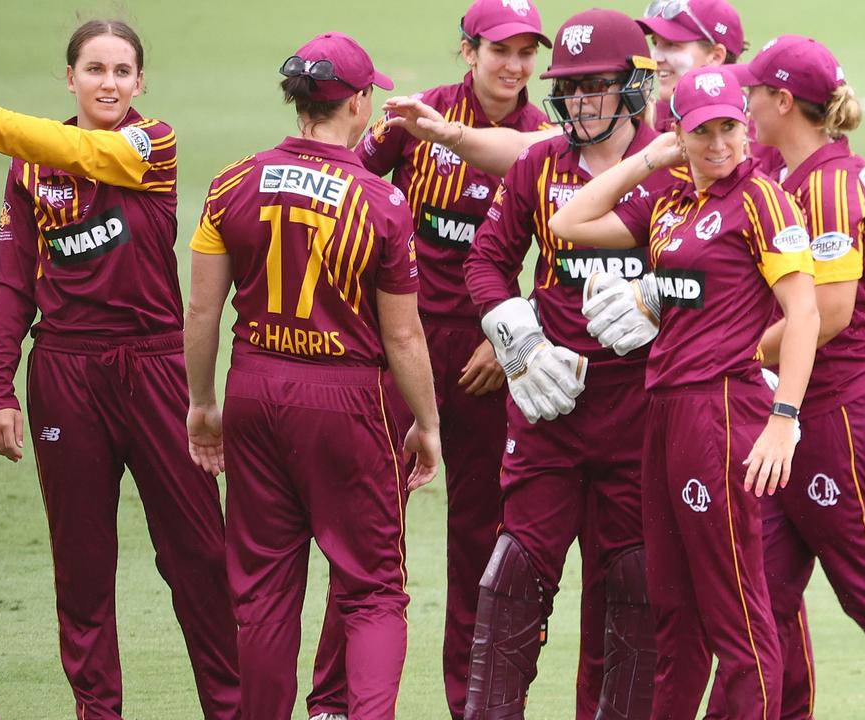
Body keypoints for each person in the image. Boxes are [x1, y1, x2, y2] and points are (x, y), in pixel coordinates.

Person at [0, 19, 241, 720]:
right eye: (94, 69)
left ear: (140, 83)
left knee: (199, 559)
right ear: (69, 78)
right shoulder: (27, 166)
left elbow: (77, 148)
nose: (108, 83)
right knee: (83, 570)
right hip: (67, 376)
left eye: (122, 71)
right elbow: (13, 284)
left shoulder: (151, 144)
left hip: (158, 372)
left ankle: (234, 709)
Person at [182, 31, 441, 720]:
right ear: (357, 104)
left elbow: (203, 309)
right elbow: (404, 335)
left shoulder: (231, 182)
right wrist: (428, 423)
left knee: (263, 590)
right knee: (373, 590)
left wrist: (202, 403)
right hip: (344, 400)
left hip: (253, 389)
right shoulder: (381, 203)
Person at [549, 65, 820, 720]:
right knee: (671, 606)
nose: (719, 145)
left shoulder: (762, 200)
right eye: (703, 132)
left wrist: (784, 416)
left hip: (722, 410)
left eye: (729, 127)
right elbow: (570, 220)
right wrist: (650, 158)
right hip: (666, 412)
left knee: (736, 614)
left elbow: (805, 314)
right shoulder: (672, 204)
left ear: (746, 127)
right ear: (680, 135)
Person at [304, 3, 551, 718]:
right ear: (467, 50)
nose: (513, 65)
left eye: (527, 52)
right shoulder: (418, 117)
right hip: (398, 348)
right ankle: (332, 702)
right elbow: (342, 182)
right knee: (369, 530)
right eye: (500, 49)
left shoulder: (545, 139)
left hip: (486, 360)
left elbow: (563, 259)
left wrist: (512, 337)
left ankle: (471, 704)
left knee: (479, 536)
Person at [449, 9, 671, 719]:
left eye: (594, 88)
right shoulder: (540, 162)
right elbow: (488, 259)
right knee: (512, 575)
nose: (577, 105)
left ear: (635, 88)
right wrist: (515, 333)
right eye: (568, 91)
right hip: (548, 404)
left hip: (639, 411)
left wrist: (662, 301)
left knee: (634, 584)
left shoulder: (674, 166)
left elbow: (725, 265)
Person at [721, 35, 865, 713]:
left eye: (753, 92)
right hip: (805, 418)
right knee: (759, 595)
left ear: (782, 101)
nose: (746, 103)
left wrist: (725, 349)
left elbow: (827, 315)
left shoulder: (823, 186)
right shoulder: (807, 172)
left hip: (840, 416)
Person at [636, 0, 746, 133]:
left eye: (671, 44)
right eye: (655, 42)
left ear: (716, 56)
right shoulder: (645, 118)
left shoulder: (759, 128)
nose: (655, 57)